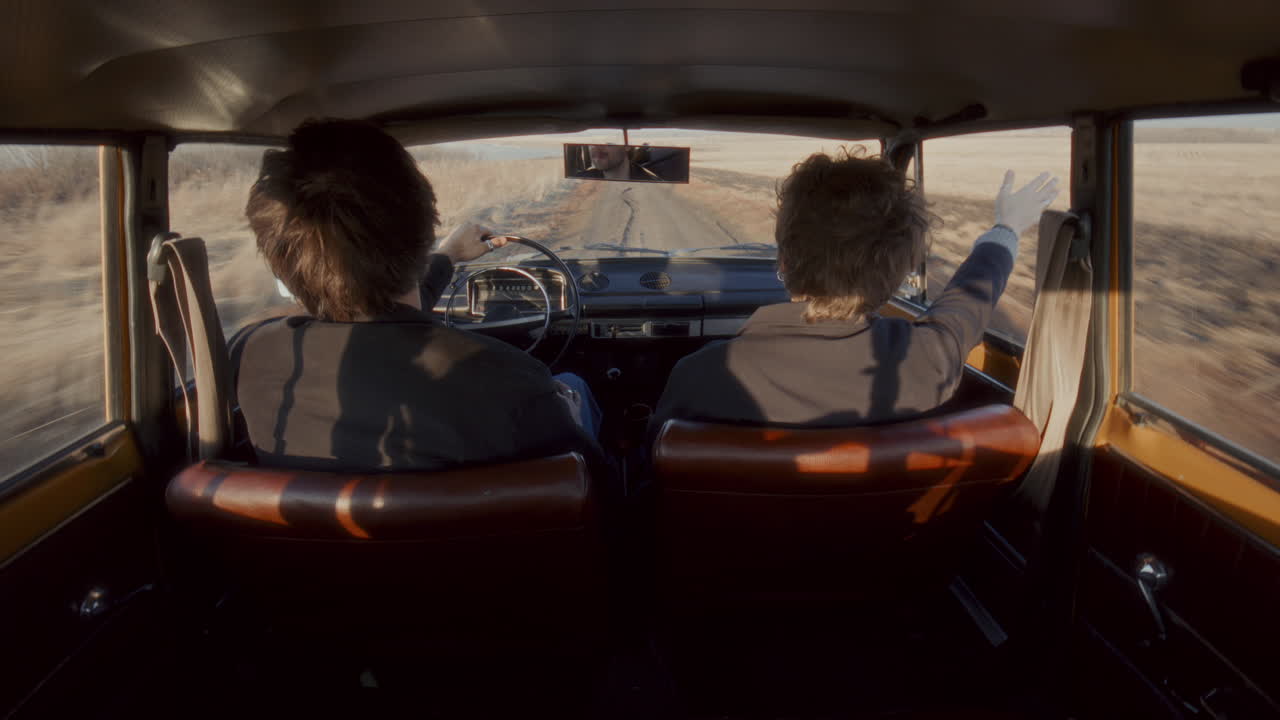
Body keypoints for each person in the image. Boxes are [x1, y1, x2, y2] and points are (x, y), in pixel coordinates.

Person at [233, 118, 602, 473]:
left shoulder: (250, 355)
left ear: (279, 264)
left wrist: (448, 256)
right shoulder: (512, 384)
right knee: (574, 388)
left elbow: (376, 308)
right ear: (424, 232)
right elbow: (597, 491)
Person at [653, 148, 1058, 428]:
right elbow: (969, 299)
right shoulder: (927, 359)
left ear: (785, 262)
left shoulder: (701, 376)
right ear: (900, 274)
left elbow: (657, 482)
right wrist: (1007, 226)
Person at [572, 144, 661, 182]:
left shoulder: (654, 185)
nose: (596, 148)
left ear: (627, 145)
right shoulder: (579, 182)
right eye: (592, 142)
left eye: (607, 142)